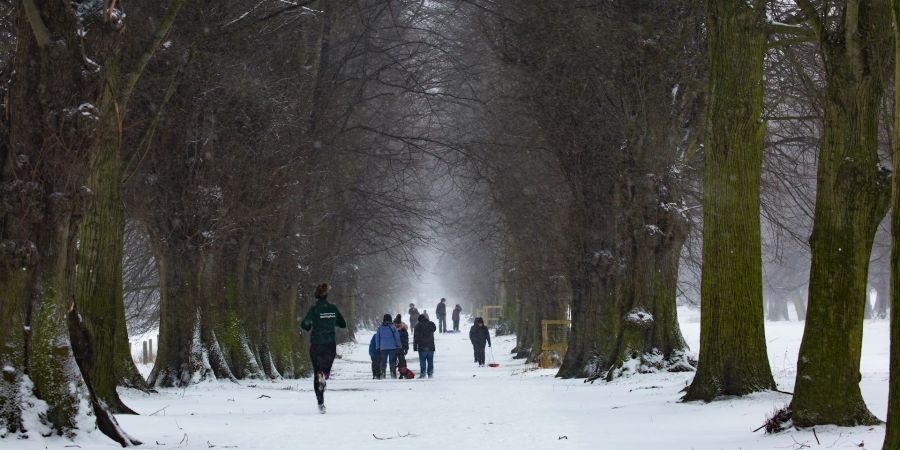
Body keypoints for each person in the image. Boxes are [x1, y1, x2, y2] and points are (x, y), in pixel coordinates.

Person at [300, 283, 347, 414]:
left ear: (316, 296)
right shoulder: (333, 308)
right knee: (325, 370)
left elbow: (304, 324)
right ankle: (324, 377)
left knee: (317, 372)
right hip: (330, 345)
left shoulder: (314, 309)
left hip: (316, 344)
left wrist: (309, 326)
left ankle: (321, 403)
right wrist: (332, 321)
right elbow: (343, 324)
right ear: (327, 295)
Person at [375, 314, 402, 379]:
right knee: (392, 361)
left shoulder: (380, 328)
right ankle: (393, 374)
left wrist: (378, 347)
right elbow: (397, 337)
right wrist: (399, 345)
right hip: (392, 347)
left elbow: (377, 338)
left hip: (383, 348)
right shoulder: (393, 327)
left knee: (383, 362)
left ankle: (382, 374)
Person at [413, 314, 437, 378]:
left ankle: (423, 374)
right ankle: (430, 374)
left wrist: (415, 347)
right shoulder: (431, 324)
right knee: (430, 361)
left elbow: (416, 337)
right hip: (431, 346)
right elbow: (434, 329)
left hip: (422, 347)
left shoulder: (417, 326)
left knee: (422, 361)